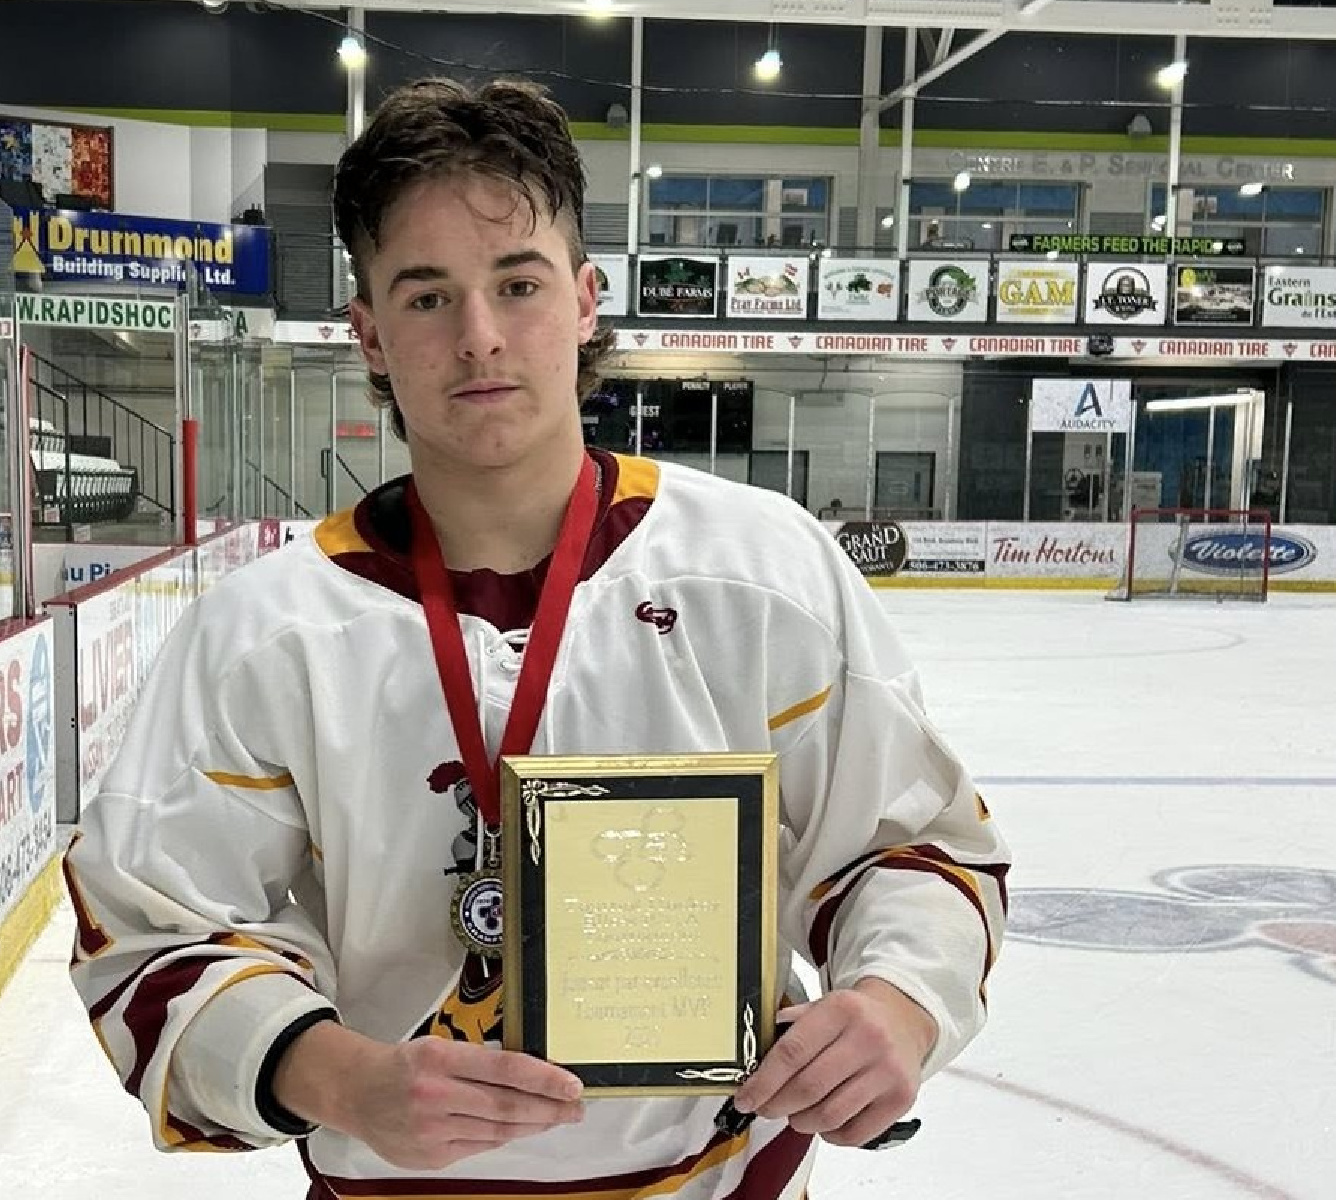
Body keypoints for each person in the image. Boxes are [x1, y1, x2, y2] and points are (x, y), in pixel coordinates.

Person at [62, 77, 1010, 1200]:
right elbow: (151, 929)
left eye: (518, 285)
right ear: (368, 332)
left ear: (586, 299)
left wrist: (898, 1002)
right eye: (426, 297)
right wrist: (340, 1079)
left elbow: (910, 845)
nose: (479, 338)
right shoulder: (268, 631)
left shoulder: (761, 570)